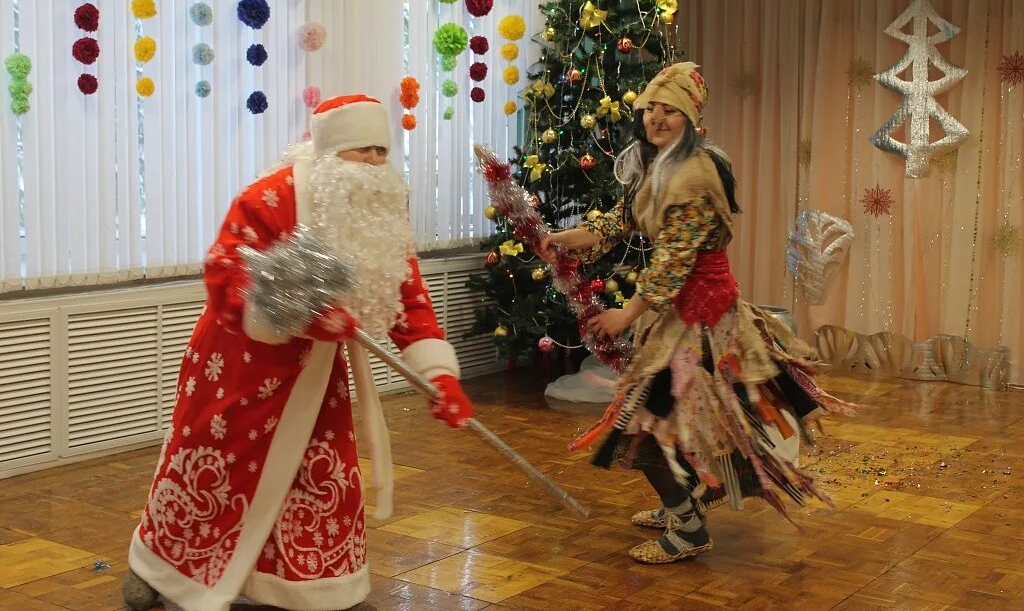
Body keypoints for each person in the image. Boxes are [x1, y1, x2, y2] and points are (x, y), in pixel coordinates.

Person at [122, 94, 474, 611]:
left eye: (383, 150)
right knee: (209, 475)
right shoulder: (269, 198)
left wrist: (438, 376)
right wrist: (303, 313)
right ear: (332, 151)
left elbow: (405, 293)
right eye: (364, 151)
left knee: (321, 475)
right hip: (239, 366)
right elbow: (225, 271)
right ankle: (160, 567)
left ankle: (326, 592)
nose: (377, 163)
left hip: (315, 378)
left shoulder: (381, 208)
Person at [538, 63, 852, 565]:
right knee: (667, 422)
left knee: (641, 423)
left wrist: (625, 314)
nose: (656, 119)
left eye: (670, 111)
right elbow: (617, 223)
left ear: (690, 119)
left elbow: (672, 264)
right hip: (681, 319)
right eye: (651, 109)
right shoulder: (659, 165)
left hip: (704, 324)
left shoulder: (694, 176)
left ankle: (687, 525)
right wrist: (563, 239)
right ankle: (685, 502)